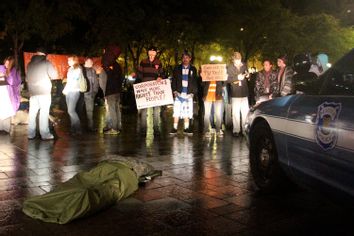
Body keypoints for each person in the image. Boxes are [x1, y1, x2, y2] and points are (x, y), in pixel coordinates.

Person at [26, 48, 58, 140]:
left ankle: (30, 134)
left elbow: (27, 78)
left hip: (33, 92)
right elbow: (54, 75)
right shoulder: (46, 63)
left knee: (32, 113)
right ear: (44, 54)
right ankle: (45, 134)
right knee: (44, 113)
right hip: (44, 92)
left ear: (36, 53)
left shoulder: (29, 64)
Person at [136, 46, 165, 135]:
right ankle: (143, 130)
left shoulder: (159, 63)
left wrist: (160, 77)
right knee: (144, 112)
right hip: (145, 91)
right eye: (150, 52)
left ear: (156, 53)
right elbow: (140, 75)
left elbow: (162, 74)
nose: (152, 53)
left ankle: (156, 130)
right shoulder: (143, 62)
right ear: (148, 53)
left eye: (153, 52)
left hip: (155, 91)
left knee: (156, 111)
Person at [170, 51, 198, 135]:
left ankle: (186, 128)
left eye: (187, 57)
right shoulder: (177, 68)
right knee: (176, 111)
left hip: (189, 94)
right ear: (182, 59)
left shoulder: (193, 69)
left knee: (187, 111)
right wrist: (174, 91)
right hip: (178, 93)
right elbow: (174, 80)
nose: (185, 59)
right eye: (184, 57)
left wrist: (193, 93)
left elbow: (194, 81)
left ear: (190, 59)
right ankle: (174, 128)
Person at [101, 44, 123, 135]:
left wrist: (106, 68)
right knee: (117, 109)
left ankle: (114, 128)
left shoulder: (108, 64)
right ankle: (118, 126)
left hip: (111, 91)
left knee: (112, 109)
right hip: (117, 91)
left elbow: (109, 76)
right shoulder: (117, 65)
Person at [226, 52, 249, 137]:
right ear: (233, 59)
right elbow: (227, 80)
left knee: (245, 112)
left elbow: (247, 73)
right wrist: (237, 78)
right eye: (237, 60)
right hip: (235, 92)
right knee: (235, 113)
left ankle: (244, 130)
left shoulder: (244, 65)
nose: (239, 62)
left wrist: (248, 75)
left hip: (244, 92)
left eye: (239, 59)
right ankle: (236, 130)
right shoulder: (229, 67)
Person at [62, 55, 83, 135]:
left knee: (71, 111)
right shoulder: (70, 69)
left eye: (69, 60)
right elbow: (69, 81)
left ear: (74, 61)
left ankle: (78, 129)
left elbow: (73, 81)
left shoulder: (77, 69)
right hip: (69, 92)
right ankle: (73, 129)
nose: (68, 61)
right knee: (70, 111)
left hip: (74, 91)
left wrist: (66, 89)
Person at [0, 57, 21, 133]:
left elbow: (13, 82)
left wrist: (6, 75)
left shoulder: (13, 71)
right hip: (1, 92)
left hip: (7, 93)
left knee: (7, 110)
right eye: (5, 62)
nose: (6, 64)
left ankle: (5, 129)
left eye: (8, 63)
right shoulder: (1, 68)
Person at [82, 58, 99, 131]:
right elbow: (96, 83)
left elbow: (95, 83)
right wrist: (94, 92)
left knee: (83, 110)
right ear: (86, 62)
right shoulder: (92, 70)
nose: (92, 64)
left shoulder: (81, 70)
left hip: (83, 93)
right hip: (89, 93)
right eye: (91, 62)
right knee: (89, 111)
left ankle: (82, 126)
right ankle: (90, 126)